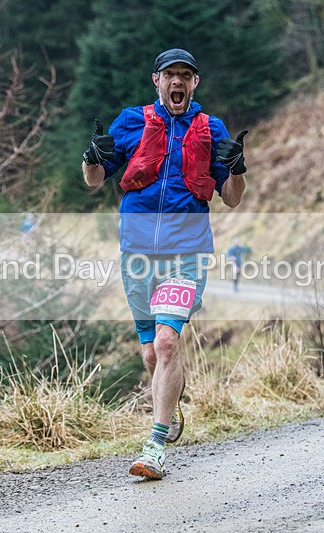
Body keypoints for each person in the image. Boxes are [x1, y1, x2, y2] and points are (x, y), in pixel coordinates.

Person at [81, 48, 249, 480]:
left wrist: (237, 170)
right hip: (136, 255)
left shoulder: (211, 128)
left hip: (186, 254)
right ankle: (170, 400)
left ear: (195, 84)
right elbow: (95, 182)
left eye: (185, 76)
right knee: (153, 352)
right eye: (170, 75)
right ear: (156, 80)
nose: (177, 82)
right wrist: (91, 157)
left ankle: (155, 445)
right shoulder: (131, 121)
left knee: (168, 342)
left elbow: (231, 197)